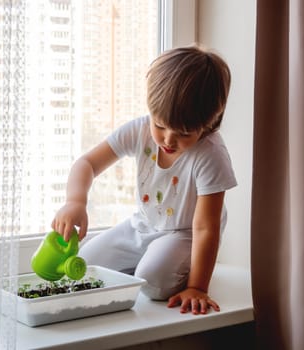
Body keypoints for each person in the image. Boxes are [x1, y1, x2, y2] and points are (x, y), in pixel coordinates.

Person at [51, 45, 237, 315]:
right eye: (160, 125)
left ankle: (180, 269)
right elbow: (87, 163)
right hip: (142, 226)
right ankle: (141, 263)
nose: (169, 139)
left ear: (208, 124)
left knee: (154, 284)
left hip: (184, 235)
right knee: (84, 268)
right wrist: (75, 201)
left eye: (185, 133)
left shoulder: (210, 155)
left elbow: (206, 228)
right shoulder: (139, 130)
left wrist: (198, 287)